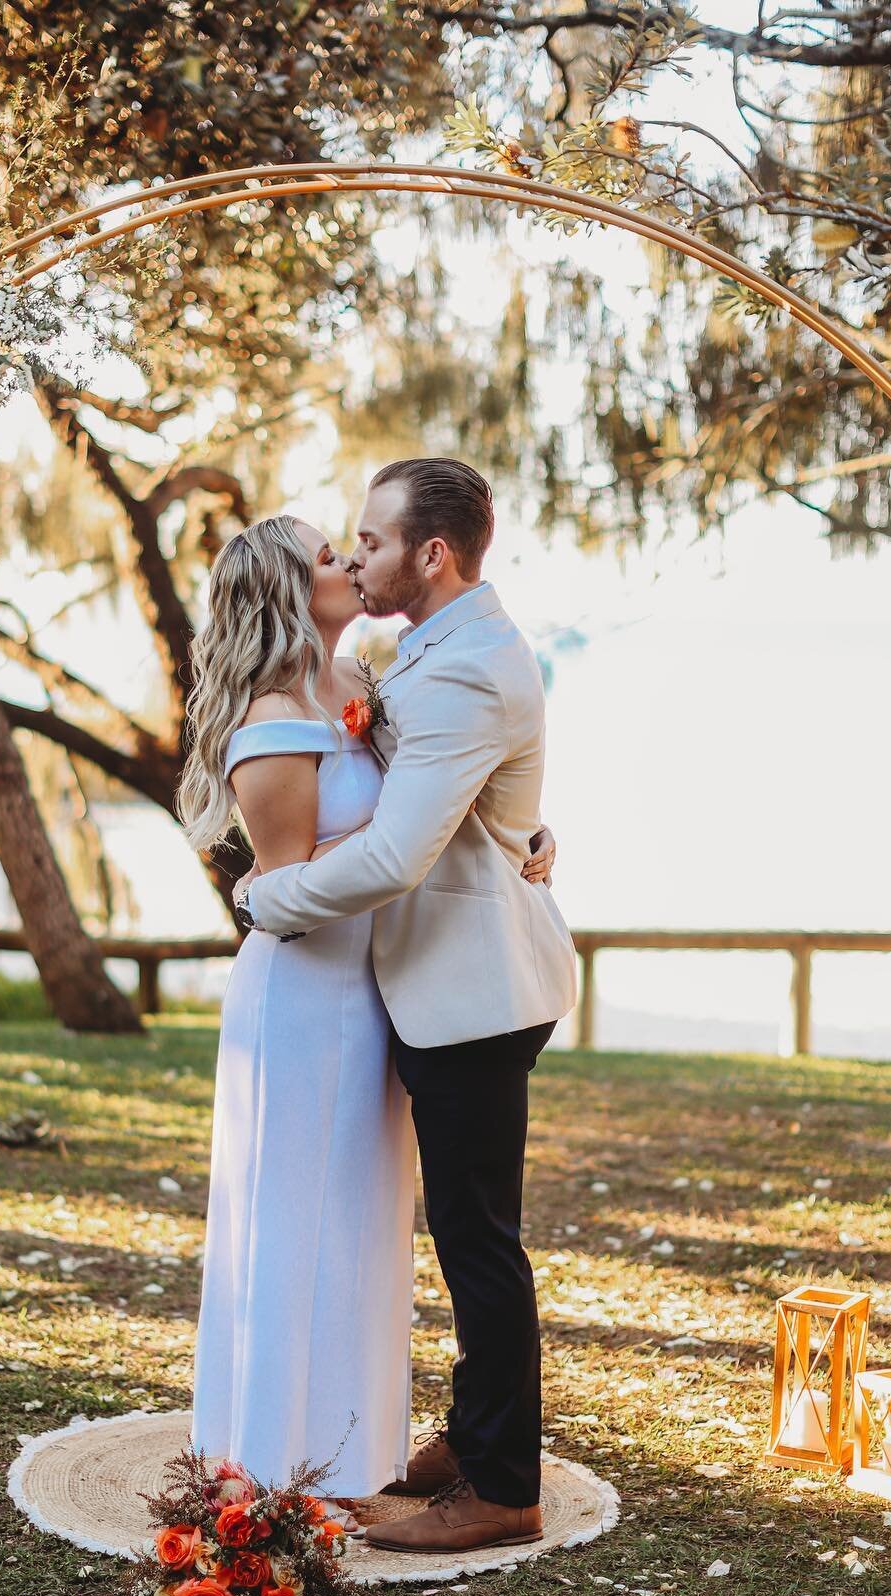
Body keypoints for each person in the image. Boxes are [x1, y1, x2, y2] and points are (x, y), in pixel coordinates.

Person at [179, 509, 555, 1509]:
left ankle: (346, 1452)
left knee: (362, 1222)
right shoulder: (270, 718)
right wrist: (398, 850)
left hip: (382, 994)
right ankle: (266, 1457)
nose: (346, 560)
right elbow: (294, 875)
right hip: (301, 998)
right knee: (293, 1219)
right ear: (285, 590)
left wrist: (518, 832)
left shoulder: (363, 689)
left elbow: (445, 785)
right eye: (324, 556)